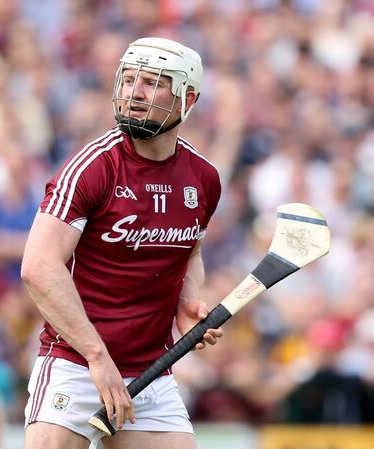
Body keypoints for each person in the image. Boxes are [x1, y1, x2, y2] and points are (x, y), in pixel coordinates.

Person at [20, 37, 223, 449]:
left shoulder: (203, 178)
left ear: (188, 98)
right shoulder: (93, 167)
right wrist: (97, 358)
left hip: (151, 372)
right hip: (76, 363)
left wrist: (188, 303)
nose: (134, 92)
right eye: (129, 80)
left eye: (151, 82)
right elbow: (38, 266)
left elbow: (191, 249)